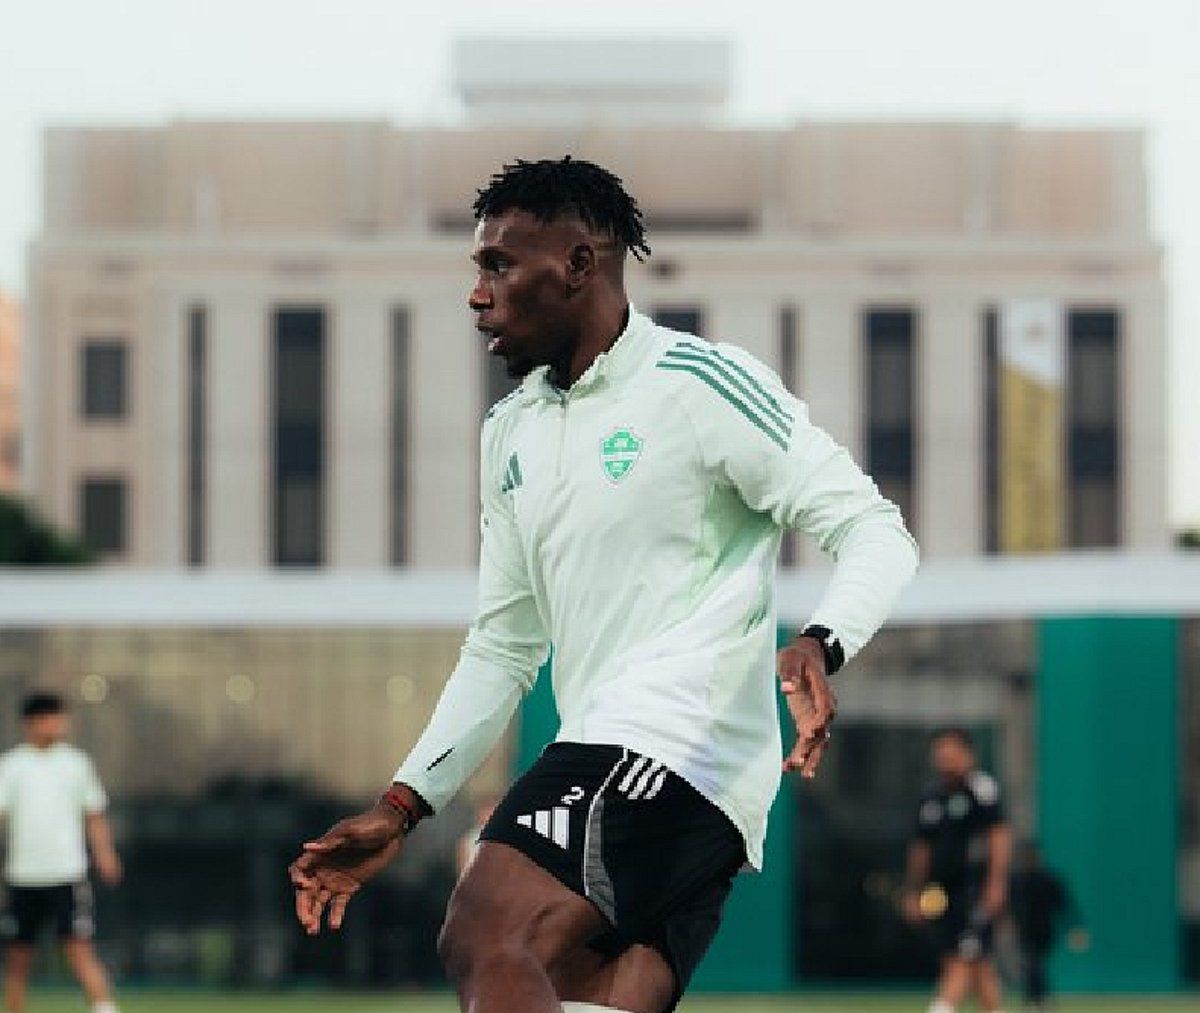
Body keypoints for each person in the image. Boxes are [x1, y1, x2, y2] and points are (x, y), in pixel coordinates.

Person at [289, 156, 919, 1013]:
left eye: (499, 264)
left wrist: (823, 639)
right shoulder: (509, 432)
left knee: (485, 931)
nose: (478, 293)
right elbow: (503, 646)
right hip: (641, 769)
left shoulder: (697, 385)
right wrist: (403, 804)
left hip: (673, 745)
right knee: (560, 990)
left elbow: (876, 530)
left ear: (579, 264)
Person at [0, 691, 122, 1013]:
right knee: (18, 955)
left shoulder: (76, 764)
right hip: (23, 876)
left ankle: (104, 1008)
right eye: (46, 719)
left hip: (66, 873)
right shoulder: (12, 766)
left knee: (79, 948)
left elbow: (94, 814)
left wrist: (105, 854)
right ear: (30, 723)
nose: (54, 725)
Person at [904, 727, 1012, 1013]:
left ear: (968, 754)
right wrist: (914, 890)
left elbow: (998, 836)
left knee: (963, 955)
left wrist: (995, 883)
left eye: (952, 753)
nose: (946, 760)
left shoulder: (981, 790)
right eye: (941, 754)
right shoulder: (932, 798)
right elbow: (921, 847)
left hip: (974, 890)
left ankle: (942, 1007)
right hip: (943, 892)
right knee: (975, 961)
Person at [1009, 842, 1074, 1011]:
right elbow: (1011, 906)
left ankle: (1038, 999)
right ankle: (1036, 999)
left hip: (1044, 930)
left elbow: (1063, 905)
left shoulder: (1048, 879)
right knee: (1031, 965)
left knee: (1035, 964)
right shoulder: (1017, 880)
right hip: (1024, 931)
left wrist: (1073, 927)